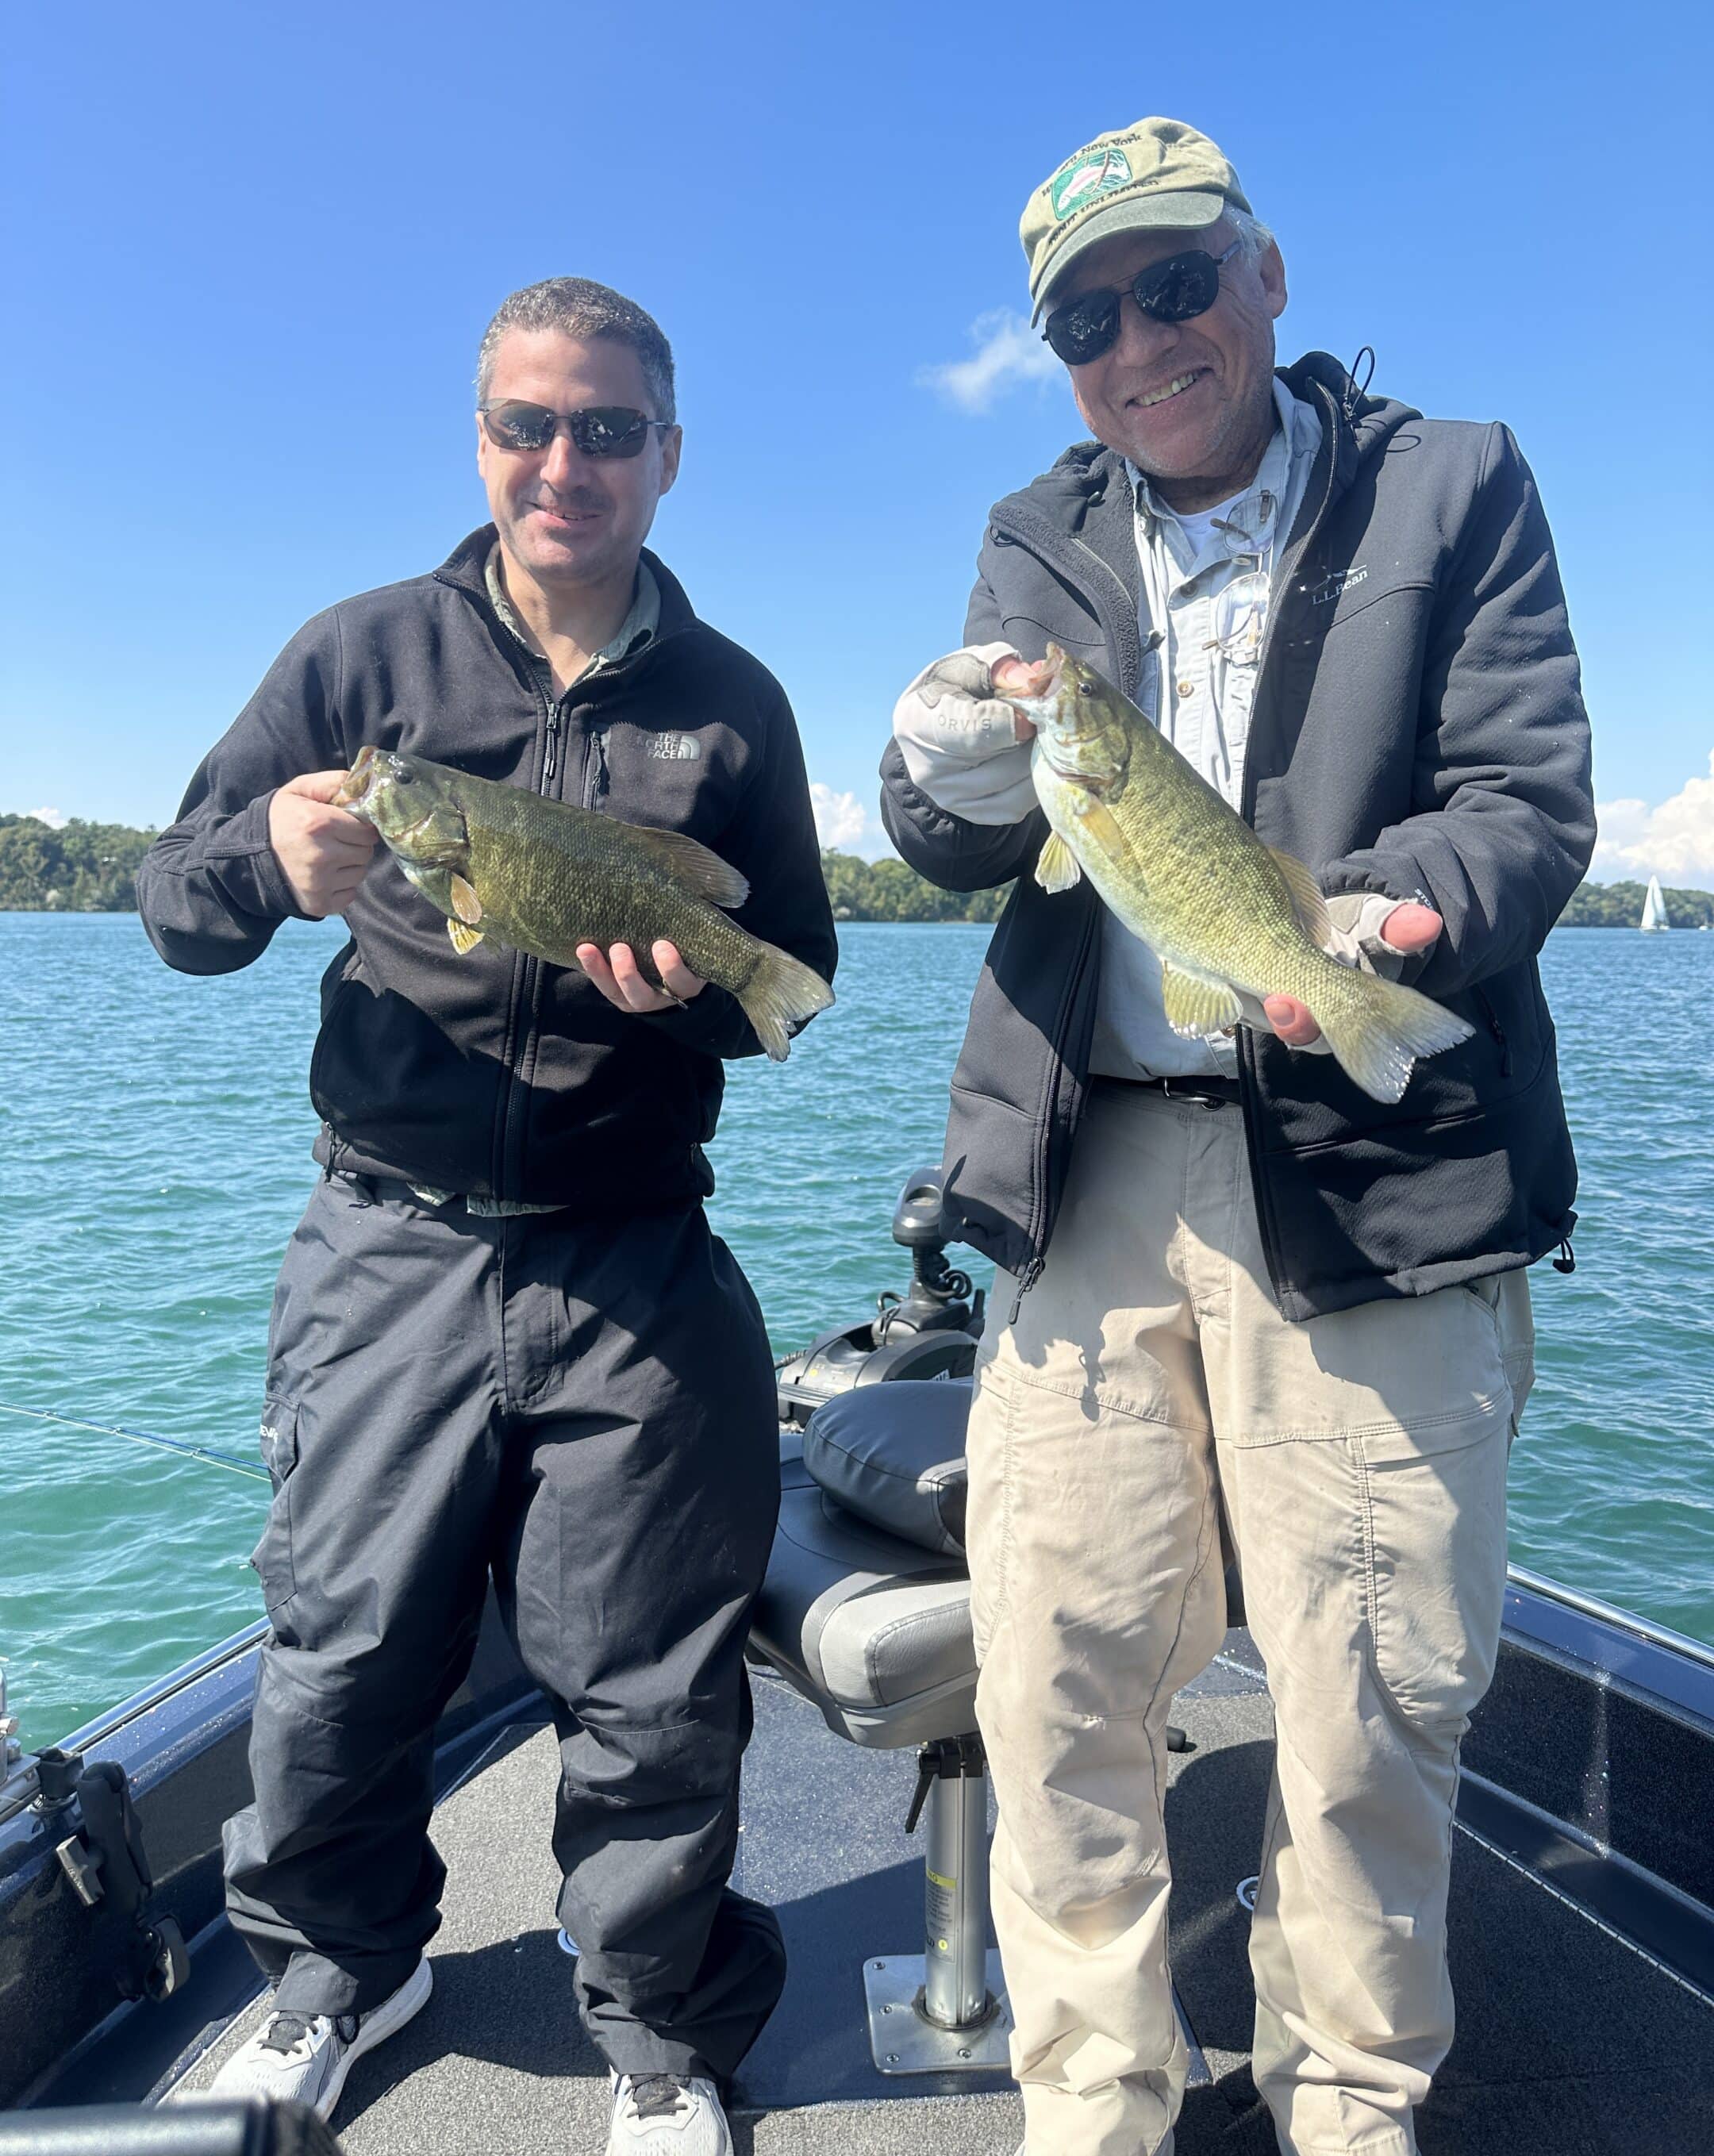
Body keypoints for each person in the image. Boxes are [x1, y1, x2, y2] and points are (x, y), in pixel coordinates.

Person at [882, 118, 1593, 2156]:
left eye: (1174, 283)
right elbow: (960, 833)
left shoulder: (1455, 482)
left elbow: (1528, 796)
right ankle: (1089, 2110)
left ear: (1265, 273)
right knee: (1057, 1678)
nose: (1139, 342)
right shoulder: (1037, 527)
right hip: (1086, 1164)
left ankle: (1349, 2105)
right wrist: (933, 756)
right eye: (1087, 319)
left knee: (1371, 1703)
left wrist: (1373, 922)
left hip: (1376, 1173)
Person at [138, 276, 836, 2156]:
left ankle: (659, 2032)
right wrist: (267, 863)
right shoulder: (361, 658)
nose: (566, 462)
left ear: (667, 456)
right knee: (341, 1646)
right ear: (482, 443)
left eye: (609, 429)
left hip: (637, 1256)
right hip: (389, 1242)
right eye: (531, 424)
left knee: (650, 1686)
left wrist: (680, 992)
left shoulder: (736, 701)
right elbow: (171, 896)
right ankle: (336, 1979)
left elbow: (793, 977)